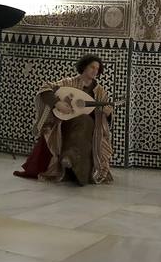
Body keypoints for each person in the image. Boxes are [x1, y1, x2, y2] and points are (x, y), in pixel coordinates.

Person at [13, 54, 115, 185]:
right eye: (92, 67)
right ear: (84, 66)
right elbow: (45, 89)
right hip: (66, 124)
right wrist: (57, 103)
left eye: (97, 68)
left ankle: (73, 163)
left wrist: (108, 114)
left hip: (89, 128)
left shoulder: (100, 92)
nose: (95, 71)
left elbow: (105, 116)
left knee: (85, 121)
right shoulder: (68, 82)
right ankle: (69, 159)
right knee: (81, 121)